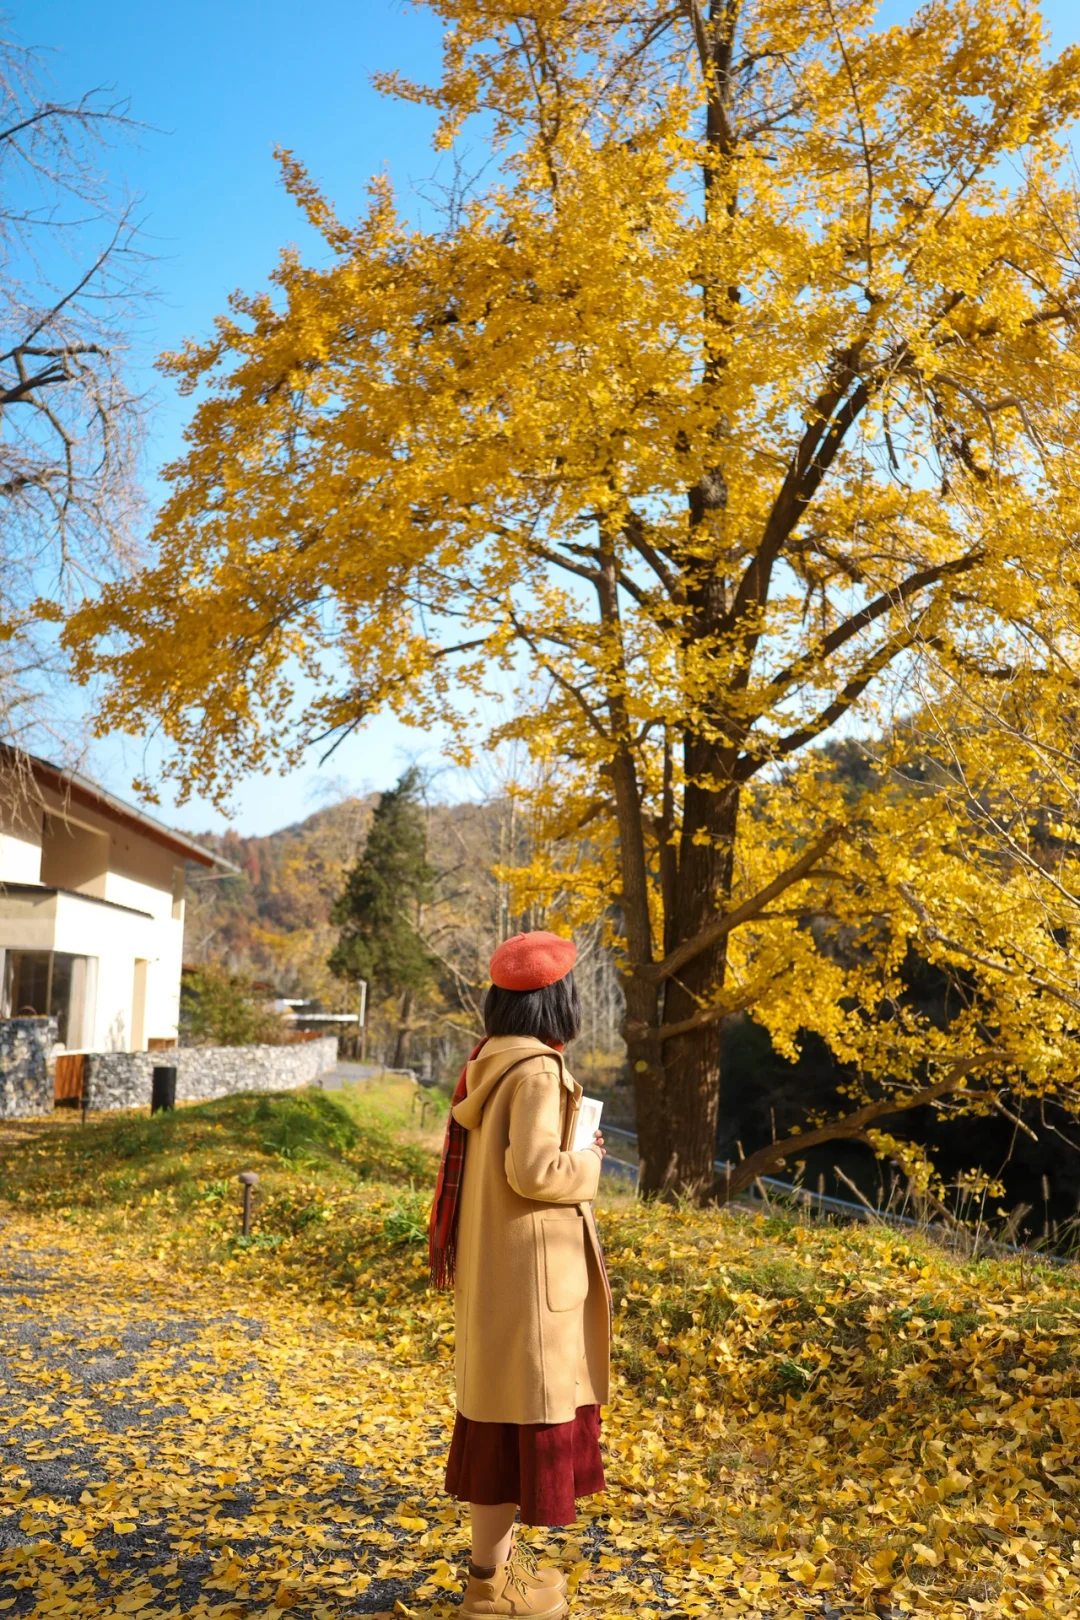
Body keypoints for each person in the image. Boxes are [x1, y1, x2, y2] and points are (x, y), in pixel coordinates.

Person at [428, 930, 609, 1619]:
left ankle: (487, 1583)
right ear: (554, 1000)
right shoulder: (536, 1072)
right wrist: (588, 1159)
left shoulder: (488, 1062)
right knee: (513, 1436)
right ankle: (488, 1593)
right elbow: (534, 1171)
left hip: (502, 1280)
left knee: (495, 1436)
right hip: (533, 1285)